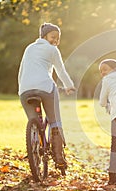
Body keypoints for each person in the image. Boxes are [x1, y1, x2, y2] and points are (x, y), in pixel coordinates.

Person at [18, 22, 76, 168]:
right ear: (44, 36)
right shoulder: (52, 50)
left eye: (58, 38)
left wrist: (22, 89)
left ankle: (34, 145)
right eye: (53, 37)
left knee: (33, 120)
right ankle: (58, 157)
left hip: (25, 90)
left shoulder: (29, 48)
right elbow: (60, 70)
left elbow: (21, 71)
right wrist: (69, 86)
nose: (55, 41)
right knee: (55, 120)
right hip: (45, 87)